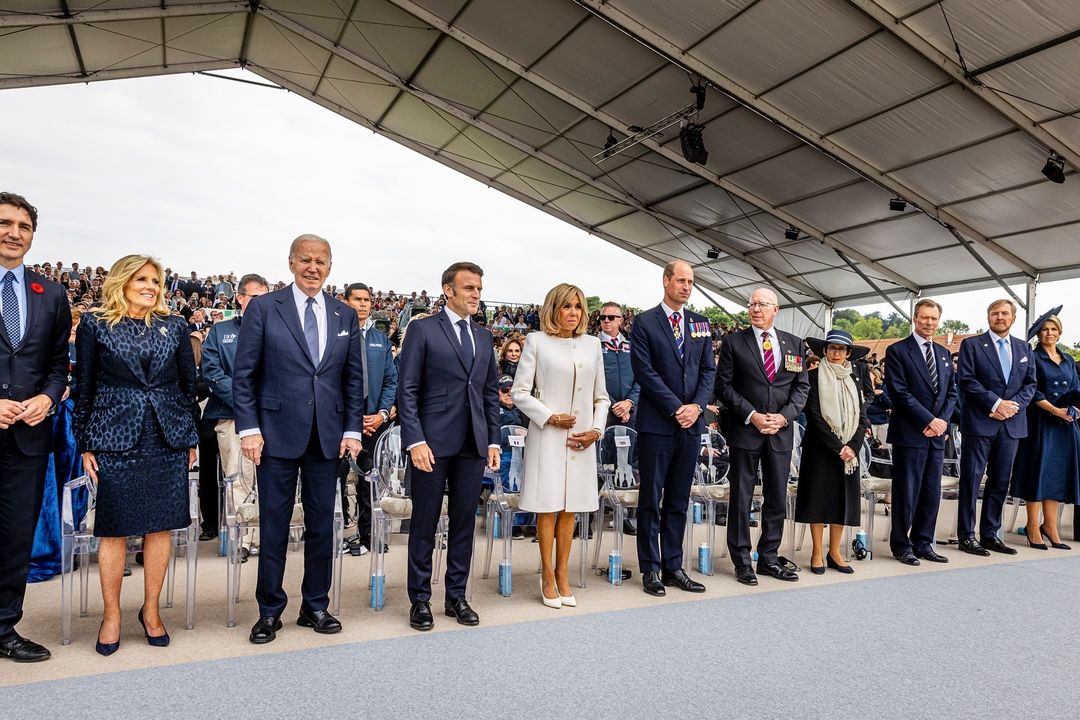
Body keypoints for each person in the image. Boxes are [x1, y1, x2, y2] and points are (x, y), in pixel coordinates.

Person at [232, 235, 364, 644]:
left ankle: (315, 605)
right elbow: (245, 374)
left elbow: (352, 377)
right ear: (291, 263)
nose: (313, 267)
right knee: (274, 525)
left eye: (320, 261)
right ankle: (269, 611)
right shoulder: (265, 308)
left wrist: (352, 429)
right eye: (305, 259)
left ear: (330, 266)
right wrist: (250, 430)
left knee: (323, 525)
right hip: (275, 437)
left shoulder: (345, 315)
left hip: (327, 438)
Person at [74, 255, 199, 655]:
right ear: (123, 281)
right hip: (114, 436)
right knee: (113, 529)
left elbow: (186, 385)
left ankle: (151, 610)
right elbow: (85, 386)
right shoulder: (96, 324)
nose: (150, 285)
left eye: (156, 280)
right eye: (141, 278)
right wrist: (85, 442)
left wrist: (189, 437)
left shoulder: (175, 326)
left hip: (166, 438)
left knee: (160, 527)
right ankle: (111, 614)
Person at [396, 261, 500, 631]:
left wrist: (493, 441)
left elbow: (489, 393)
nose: (475, 295)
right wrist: (415, 440)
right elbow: (406, 390)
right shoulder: (422, 330)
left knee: (463, 524)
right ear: (448, 289)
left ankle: (456, 595)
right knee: (424, 523)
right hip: (431, 443)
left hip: (472, 443)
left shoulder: (484, 336)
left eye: (479, 290)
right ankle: (420, 599)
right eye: (469, 288)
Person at [0, 193, 71, 663]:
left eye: (24, 226)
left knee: (14, 536)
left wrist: (47, 397)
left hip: (26, 437)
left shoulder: (51, 293)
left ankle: (4, 627)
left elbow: (56, 365)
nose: (14, 233)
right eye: (6, 223)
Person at [512, 283, 609, 608]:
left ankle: (563, 573)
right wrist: (550, 417)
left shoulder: (593, 345)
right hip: (549, 436)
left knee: (571, 510)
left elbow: (601, 397)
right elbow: (520, 393)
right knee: (549, 506)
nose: (573, 313)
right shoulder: (536, 341)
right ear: (553, 309)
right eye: (566, 306)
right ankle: (547, 576)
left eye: (578, 307)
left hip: (582, 440)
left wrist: (596, 430)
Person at [629, 260, 715, 597]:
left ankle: (673, 565)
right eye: (680, 280)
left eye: (690, 282)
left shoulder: (700, 323)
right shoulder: (645, 322)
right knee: (651, 498)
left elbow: (708, 369)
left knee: (679, 498)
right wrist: (675, 407)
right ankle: (650, 569)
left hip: (691, 424)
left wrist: (695, 407)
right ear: (665, 281)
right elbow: (645, 371)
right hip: (658, 423)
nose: (686, 286)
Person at [715, 287, 809, 586]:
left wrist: (783, 417)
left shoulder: (794, 344)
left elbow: (801, 388)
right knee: (741, 498)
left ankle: (769, 557)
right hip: (745, 430)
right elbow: (724, 387)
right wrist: (752, 415)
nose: (756, 309)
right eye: (752, 303)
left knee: (776, 499)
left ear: (775, 309)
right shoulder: (734, 342)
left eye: (762, 304)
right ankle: (742, 560)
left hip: (779, 432)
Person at [956, 299, 1037, 556]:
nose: (999, 317)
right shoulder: (972, 345)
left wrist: (1014, 406)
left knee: (1000, 481)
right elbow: (966, 380)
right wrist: (996, 403)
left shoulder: (1024, 348)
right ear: (988, 317)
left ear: (1013, 318)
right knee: (971, 480)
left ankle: (990, 534)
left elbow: (1031, 384)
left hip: (1011, 425)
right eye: (995, 313)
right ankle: (967, 536)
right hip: (981, 422)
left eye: (1004, 313)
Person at [883, 299, 957, 566]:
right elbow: (899, 392)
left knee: (930, 491)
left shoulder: (944, 354)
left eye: (934, 319)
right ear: (914, 318)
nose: (929, 323)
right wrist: (929, 420)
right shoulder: (898, 351)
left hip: (936, 434)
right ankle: (902, 545)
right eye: (924, 317)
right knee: (906, 491)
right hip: (910, 432)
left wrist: (942, 422)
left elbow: (951, 392)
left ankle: (924, 542)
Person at [201, 273, 269, 561]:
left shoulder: (277, 330)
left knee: (268, 480)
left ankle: (265, 539)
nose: (259, 303)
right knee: (237, 477)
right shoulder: (221, 331)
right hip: (231, 416)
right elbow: (212, 372)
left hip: (270, 417)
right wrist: (245, 401)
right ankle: (241, 539)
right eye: (254, 297)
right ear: (240, 298)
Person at [794, 330, 870, 574]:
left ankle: (834, 551)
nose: (837, 353)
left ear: (848, 354)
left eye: (842, 349)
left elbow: (862, 415)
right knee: (818, 500)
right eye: (832, 348)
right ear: (824, 351)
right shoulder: (813, 376)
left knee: (842, 501)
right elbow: (814, 415)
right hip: (820, 447)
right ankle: (817, 551)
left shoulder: (855, 377)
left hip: (849, 451)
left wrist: (853, 446)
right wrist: (839, 447)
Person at [1011, 309, 1079, 550]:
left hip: (1065, 426)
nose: (1049, 333)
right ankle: (1032, 527)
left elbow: (1076, 388)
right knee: (1037, 474)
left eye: (1053, 329)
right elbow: (1032, 390)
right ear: (1039, 334)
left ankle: (1050, 527)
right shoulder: (1032, 357)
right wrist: (1054, 410)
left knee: (1057, 478)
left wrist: (1074, 410)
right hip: (1040, 422)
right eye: (1044, 329)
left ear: (1059, 333)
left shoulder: (1069, 359)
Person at [339, 282, 397, 555]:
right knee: (334, 481)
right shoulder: (335, 335)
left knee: (370, 481)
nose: (363, 304)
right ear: (345, 301)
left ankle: (369, 534)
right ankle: (334, 534)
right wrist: (348, 418)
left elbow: (390, 381)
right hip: (340, 423)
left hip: (374, 423)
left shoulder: (380, 340)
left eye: (367, 300)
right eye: (357, 299)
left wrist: (381, 414)